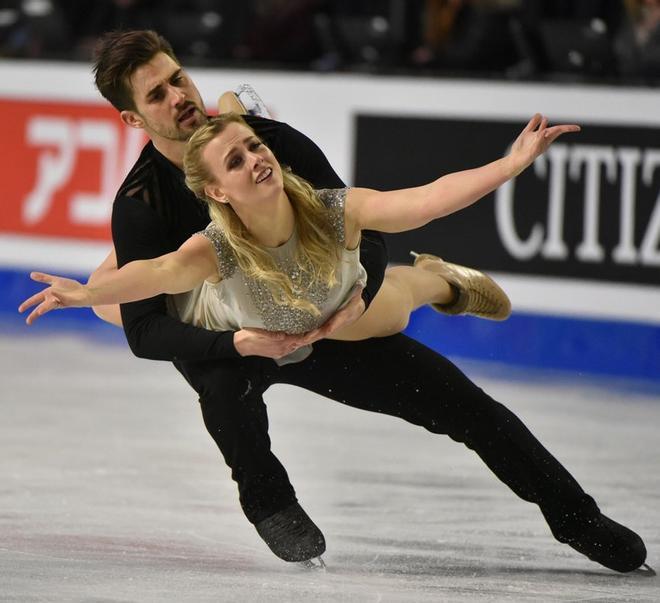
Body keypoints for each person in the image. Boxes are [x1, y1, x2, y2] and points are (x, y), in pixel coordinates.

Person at [20, 30, 649, 573]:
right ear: (132, 120)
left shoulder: (271, 145)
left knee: (462, 403)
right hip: (232, 336)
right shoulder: (141, 207)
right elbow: (145, 330)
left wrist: (360, 296)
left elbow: (366, 227)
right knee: (222, 392)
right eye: (156, 95)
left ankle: (577, 517)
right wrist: (232, 343)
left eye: (177, 78)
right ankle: (268, 499)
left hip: (313, 313)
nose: (179, 97)